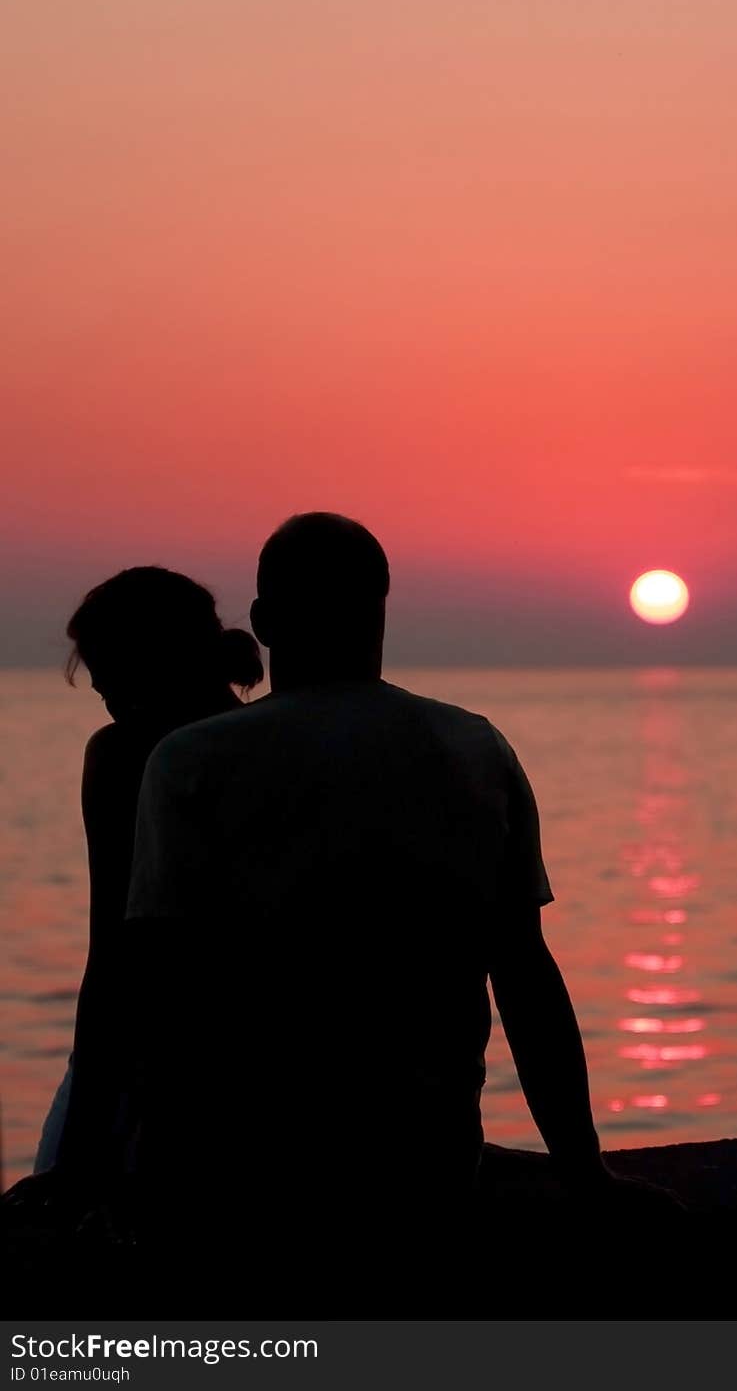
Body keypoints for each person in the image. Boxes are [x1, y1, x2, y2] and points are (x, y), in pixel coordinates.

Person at [120, 513, 680, 1312]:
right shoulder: (475, 749)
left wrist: (129, 1175)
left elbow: (161, 995)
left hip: (243, 1185)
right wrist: (585, 1171)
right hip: (427, 1173)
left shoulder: (191, 761)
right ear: (382, 610)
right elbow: (525, 979)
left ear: (268, 622)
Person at [31, 567, 263, 1190]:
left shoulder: (123, 756)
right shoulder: (273, 747)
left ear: (146, 662)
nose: (100, 689)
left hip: (156, 1066)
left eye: (107, 673)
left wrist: (77, 1154)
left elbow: (115, 955)